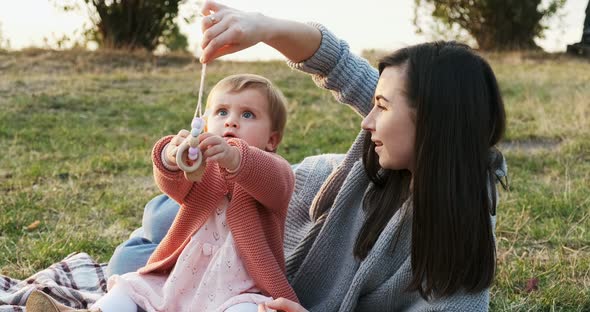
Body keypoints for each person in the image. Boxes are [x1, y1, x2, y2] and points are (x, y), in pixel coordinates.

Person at [92, 1, 508, 310]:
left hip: (264, 259)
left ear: (433, 122)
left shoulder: (461, 231)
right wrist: (261, 27)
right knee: (157, 230)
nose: (367, 121)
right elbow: (336, 61)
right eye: (374, 103)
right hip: (258, 198)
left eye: (381, 106)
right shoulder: (403, 138)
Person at [26, 73, 297, 312]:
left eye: (247, 114)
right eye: (222, 112)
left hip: (239, 287)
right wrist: (170, 156)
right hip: (181, 279)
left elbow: (276, 183)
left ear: (272, 140)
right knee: (131, 287)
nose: (232, 123)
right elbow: (174, 186)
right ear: (205, 124)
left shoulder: (273, 170)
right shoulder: (203, 168)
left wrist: (236, 158)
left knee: (250, 309)